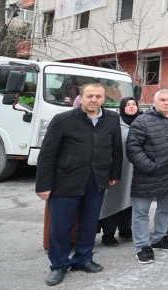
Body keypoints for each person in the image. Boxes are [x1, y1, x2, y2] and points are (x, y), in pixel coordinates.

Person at [36, 83, 123, 286]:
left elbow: (116, 149)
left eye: (98, 96)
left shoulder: (112, 119)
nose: (94, 100)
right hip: (65, 181)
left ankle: (83, 258)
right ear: (81, 98)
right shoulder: (63, 120)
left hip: (97, 179)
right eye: (90, 96)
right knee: (60, 226)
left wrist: (114, 173)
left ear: (104, 98)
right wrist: (43, 185)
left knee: (89, 223)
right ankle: (58, 265)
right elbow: (47, 155)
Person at [126, 89, 168, 264]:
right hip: (148, 176)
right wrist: (149, 166)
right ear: (154, 102)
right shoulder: (142, 121)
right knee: (141, 213)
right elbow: (133, 148)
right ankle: (142, 247)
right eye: (162, 100)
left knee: (165, 209)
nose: (166, 103)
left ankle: (159, 238)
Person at [99, 97, 138, 247]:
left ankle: (125, 229)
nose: (131, 107)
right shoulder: (114, 123)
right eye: (127, 105)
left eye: (134, 104)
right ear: (122, 107)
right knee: (112, 200)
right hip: (117, 169)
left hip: (136, 169)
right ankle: (108, 234)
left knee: (130, 200)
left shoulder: (141, 122)